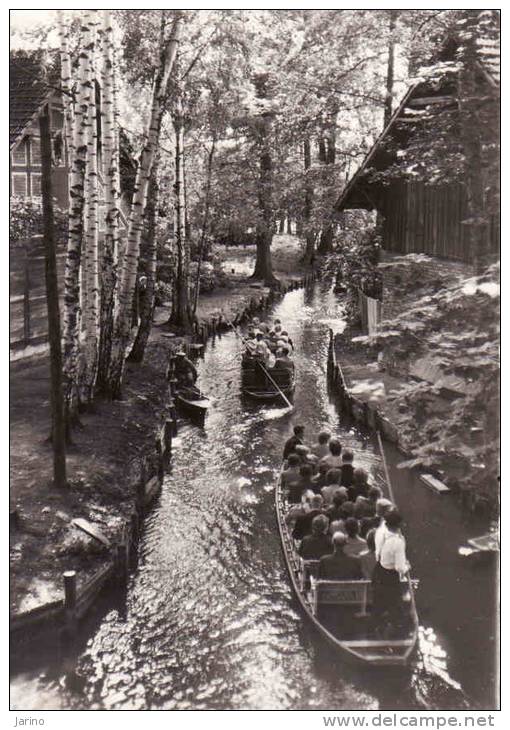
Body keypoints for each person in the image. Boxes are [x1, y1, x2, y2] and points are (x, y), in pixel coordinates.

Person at [372, 509, 409, 629]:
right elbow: (399, 567)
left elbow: (377, 553)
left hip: (378, 571)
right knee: (394, 604)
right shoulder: (398, 542)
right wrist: (406, 567)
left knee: (379, 600)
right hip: (390, 576)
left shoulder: (380, 533)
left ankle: (377, 622)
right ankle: (395, 625)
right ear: (399, 525)